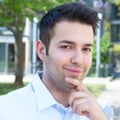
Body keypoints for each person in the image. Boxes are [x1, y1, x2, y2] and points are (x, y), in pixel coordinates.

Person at [0, 2, 113, 120]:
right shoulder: (5, 110)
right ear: (42, 50)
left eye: (86, 49)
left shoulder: (101, 112)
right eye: (66, 47)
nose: (79, 60)